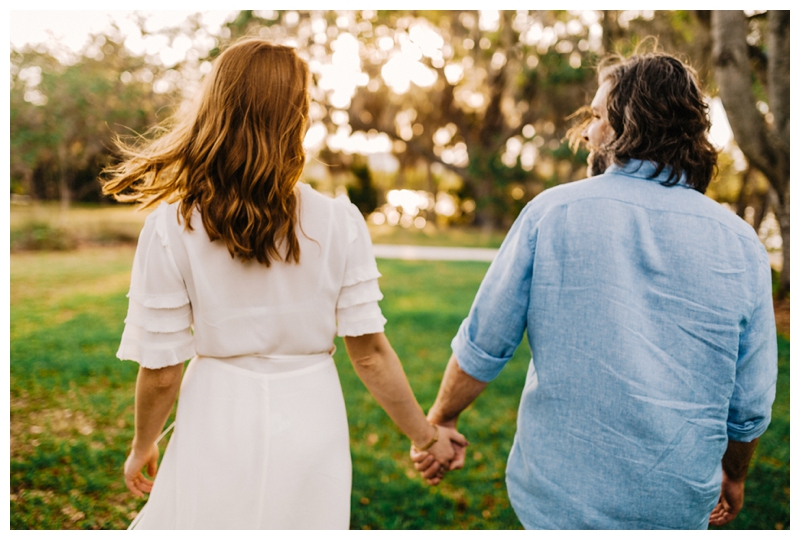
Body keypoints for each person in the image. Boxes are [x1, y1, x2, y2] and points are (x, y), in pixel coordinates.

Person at [102, 38, 465, 530]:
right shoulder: (341, 221)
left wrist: (143, 445)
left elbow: (163, 369)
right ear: (298, 119)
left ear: (217, 109)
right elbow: (370, 354)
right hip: (311, 416)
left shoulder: (171, 225)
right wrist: (426, 437)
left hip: (216, 413)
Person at [411, 50, 778, 529]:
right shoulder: (741, 243)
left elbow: (485, 342)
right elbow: (749, 403)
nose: (587, 132)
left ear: (631, 125)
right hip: (676, 507)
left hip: (555, 504)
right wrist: (734, 476)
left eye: (599, 116)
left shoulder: (551, 213)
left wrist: (442, 418)